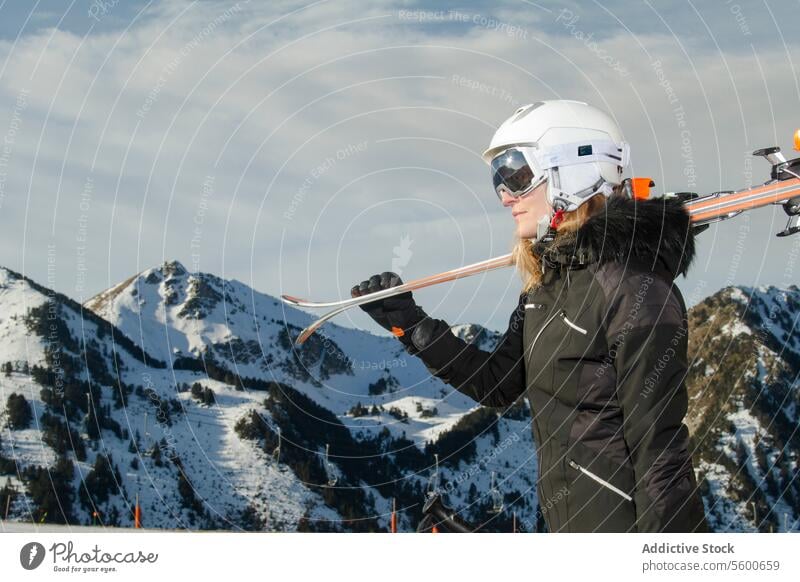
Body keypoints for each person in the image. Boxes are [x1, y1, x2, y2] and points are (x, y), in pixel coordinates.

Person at [351, 100, 709, 533]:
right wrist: (411, 325)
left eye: (517, 175)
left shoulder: (633, 292)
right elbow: (498, 382)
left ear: (572, 171)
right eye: (498, 179)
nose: (505, 196)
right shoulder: (547, 287)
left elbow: (661, 453)